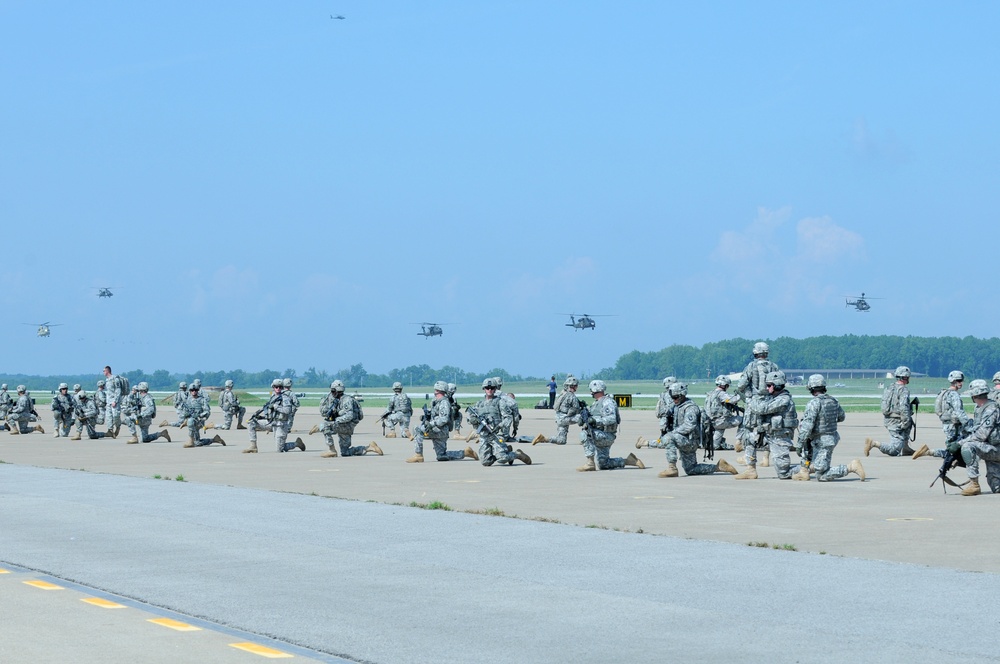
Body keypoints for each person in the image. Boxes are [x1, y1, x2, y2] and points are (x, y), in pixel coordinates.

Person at [651, 382, 733, 477]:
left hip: (690, 441)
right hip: (685, 440)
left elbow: (689, 426)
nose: (674, 399)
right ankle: (719, 467)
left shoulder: (690, 408)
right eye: (672, 397)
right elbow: (664, 413)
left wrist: (673, 433)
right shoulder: (678, 406)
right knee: (691, 469)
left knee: (668, 438)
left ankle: (672, 468)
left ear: (682, 395)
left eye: (676, 397)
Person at [793, 374, 864, 481]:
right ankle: (804, 471)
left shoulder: (814, 403)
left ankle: (851, 467)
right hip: (829, 437)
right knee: (808, 454)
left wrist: (799, 443)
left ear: (811, 388)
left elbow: (807, 427)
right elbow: (841, 417)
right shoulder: (833, 401)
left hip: (822, 441)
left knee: (821, 474)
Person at [735, 370, 799, 480]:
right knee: (748, 437)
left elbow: (761, 409)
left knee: (784, 473)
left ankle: (809, 466)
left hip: (780, 439)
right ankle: (751, 470)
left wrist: (748, 399)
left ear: (777, 385)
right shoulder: (773, 398)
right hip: (769, 436)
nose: (767, 388)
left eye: (769, 385)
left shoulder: (784, 399)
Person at [575, 380, 643, 472]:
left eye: (591, 390)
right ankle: (629, 461)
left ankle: (590, 463)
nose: (591, 392)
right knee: (603, 464)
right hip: (600, 434)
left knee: (585, 434)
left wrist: (595, 421)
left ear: (595, 389)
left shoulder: (607, 402)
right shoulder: (596, 403)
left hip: (606, 435)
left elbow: (611, 419)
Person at [406, 381, 476, 462]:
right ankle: (465, 452)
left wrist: (431, 424)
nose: (435, 391)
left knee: (417, 429)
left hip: (440, 430)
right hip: (439, 430)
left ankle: (418, 455)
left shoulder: (444, 402)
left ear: (439, 390)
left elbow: (444, 419)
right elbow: (437, 415)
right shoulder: (436, 401)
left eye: (436, 390)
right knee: (441, 456)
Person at [467, 378, 531, 467]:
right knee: (485, 462)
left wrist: (500, 426)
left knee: (502, 459)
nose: (489, 390)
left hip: (497, 434)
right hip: (484, 435)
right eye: (487, 388)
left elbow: (508, 418)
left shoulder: (500, 402)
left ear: (495, 389)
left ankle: (517, 454)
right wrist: (473, 420)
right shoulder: (479, 404)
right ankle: (505, 450)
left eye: (492, 388)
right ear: (484, 389)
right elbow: (470, 417)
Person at [953, 379, 1000, 495]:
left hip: (995, 449)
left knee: (968, 447)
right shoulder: (979, 409)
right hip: (990, 448)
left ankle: (974, 484)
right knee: (997, 488)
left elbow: (981, 435)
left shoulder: (991, 409)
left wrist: (960, 444)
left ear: (974, 395)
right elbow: (976, 430)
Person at [315, 380, 381, 459]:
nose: (331, 393)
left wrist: (335, 421)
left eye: (333, 391)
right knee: (345, 452)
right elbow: (324, 413)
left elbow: (349, 416)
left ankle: (331, 450)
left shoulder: (347, 400)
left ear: (338, 391)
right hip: (343, 426)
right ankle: (369, 448)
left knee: (324, 425)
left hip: (346, 426)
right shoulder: (336, 400)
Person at [914, 370, 971, 460]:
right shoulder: (954, 395)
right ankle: (929, 452)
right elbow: (959, 412)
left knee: (953, 449)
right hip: (954, 426)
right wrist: (968, 426)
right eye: (959, 381)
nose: (961, 383)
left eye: (961, 381)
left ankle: (929, 452)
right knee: (954, 451)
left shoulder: (944, 393)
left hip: (947, 425)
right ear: (954, 381)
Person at [736, 342, 780, 457]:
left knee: (749, 429)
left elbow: (741, 385)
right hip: (770, 402)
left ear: (755, 352)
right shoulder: (774, 366)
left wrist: (747, 393)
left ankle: (749, 458)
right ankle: (766, 458)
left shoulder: (751, 366)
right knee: (768, 430)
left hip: (754, 402)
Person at [865, 366, 916, 457]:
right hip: (897, 422)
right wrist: (905, 422)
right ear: (905, 377)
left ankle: (905, 448)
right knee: (894, 450)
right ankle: (874, 443)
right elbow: (903, 407)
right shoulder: (903, 390)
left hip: (888, 419)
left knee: (909, 423)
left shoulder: (889, 388)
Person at [246, 379, 303, 453]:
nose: (278, 388)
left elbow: (287, 410)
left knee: (280, 449)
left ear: (282, 387)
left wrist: (276, 406)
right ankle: (253, 446)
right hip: (272, 423)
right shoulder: (273, 397)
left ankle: (297, 443)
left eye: (280, 387)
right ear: (273, 387)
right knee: (251, 423)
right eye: (276, 387)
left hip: (281, 425)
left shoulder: (285, 398)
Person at [533, 375, 582, 445]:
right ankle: (585, 439)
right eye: (576, 386)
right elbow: (575, 409)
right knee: (583, 418)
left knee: (561, 440)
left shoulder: (562, 393)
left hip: (559, 418)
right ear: (573, 386)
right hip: (565, 418)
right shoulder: (572, 396)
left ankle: (544, 439)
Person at [179, 384, 225, 448]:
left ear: (197, 391)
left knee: (190, 422)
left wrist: (200, 415)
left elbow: (207, 411)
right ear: (190, 391)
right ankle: (214, 440)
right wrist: (185, 416)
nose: (194, 391)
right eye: (192, 390)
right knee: (197, 442)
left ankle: (191, 441)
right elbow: (185, 411)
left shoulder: (202, 400)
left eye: (195, 390)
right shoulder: (188, 400)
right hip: (191, 420)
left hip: (199, 421)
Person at [704, 376, 742, 451]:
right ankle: (739, 441)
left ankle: (716, 443)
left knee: (715, 446)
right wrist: (740, 395)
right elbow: (732, 400)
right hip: (720, 422)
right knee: (743, 420)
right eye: (727, 385)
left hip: (710, 422)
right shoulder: (721, 394)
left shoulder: (710, 393)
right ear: (724, 385)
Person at [102, 366, 128, 438]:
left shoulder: (115, 379)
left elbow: (118, 390)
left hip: (114, 402)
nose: (103, 372)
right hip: (108, 401)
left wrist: (115, 401)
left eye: (104, 371)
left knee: (116, 416)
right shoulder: (107, 380)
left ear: (107, 371)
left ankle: (118, 426)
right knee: (108, 417)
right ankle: (110, 430)